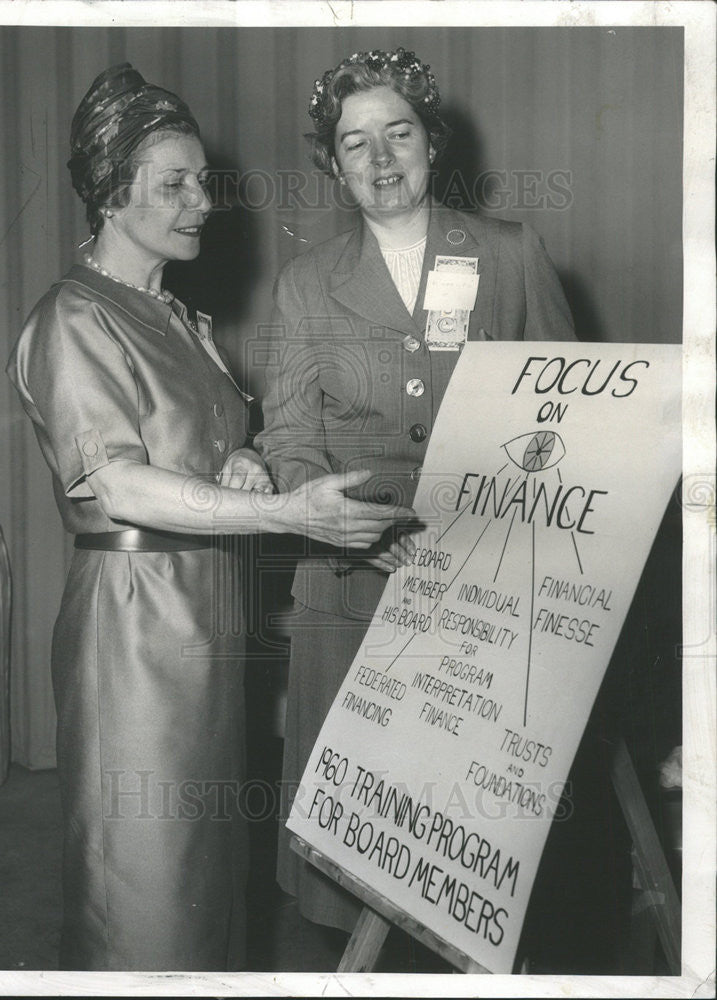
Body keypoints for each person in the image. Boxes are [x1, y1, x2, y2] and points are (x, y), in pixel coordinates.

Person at [6, 63, 410, 972]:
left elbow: (216, 447)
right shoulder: (74, 315)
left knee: (201, 865)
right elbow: (118, 485)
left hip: (205, 609)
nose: (202, 202)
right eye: (174, 184)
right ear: (112, 194)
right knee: (142, 877)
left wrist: (247, 459)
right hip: (136, 620)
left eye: (202, 181)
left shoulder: (177, 316)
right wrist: (277, 512)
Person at [256, 48, 576, 941]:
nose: (380, 158)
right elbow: (287, 439)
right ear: (333, 163)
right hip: (348, 588)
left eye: (397, 133)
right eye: (355, 144)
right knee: (348, 871)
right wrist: (344, 525)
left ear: (431, 142)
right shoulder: (304, 283)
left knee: (474, 860)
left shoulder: (511, 255)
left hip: (485, 597)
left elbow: (571, 415)